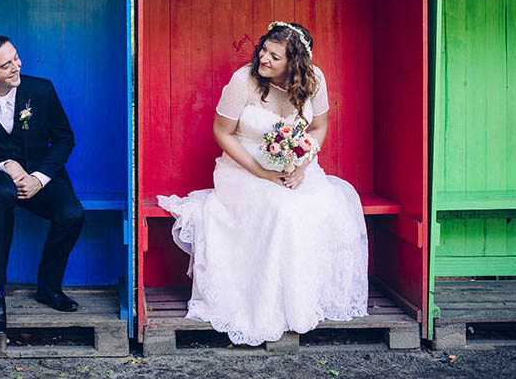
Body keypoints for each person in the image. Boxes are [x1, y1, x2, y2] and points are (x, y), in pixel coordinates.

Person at [158, 22, 369, 345]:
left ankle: (298, 303)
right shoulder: (243, 80)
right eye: (263, 50)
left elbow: (319, 126)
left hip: (293, 165)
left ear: (294, 63)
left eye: (275, 56)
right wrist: (261, 172)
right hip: (242, 168)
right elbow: (222, 132)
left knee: (322, 206)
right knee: (281, 210)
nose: (263, 59)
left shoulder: (315, 80)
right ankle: (267, 305)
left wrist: (303, 163)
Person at [0, 34, 84, 336]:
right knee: (2, 193)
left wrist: (39, 178)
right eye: (6, 65)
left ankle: (49, 287)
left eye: (16, 58)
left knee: (72, 213)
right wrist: (5, 165)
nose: (17, 66)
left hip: (39, 176)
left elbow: (64, 139)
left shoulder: (41, 90)